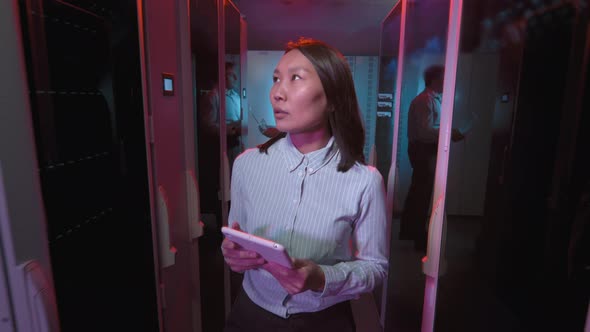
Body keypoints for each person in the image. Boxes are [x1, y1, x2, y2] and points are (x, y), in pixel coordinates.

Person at [220, 37, 389, 332]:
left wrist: (321, 278)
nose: (276, 93)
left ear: (333, 97)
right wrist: (232, 252)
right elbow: (238, 237)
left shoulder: (364, 181)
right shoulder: (246, 165)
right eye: (276, 79)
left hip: (324, 321)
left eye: (295, 78)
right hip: (249, 313)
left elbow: (375, 268)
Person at [399, 65, 464, 252]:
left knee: (420, 191)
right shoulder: (425, 100)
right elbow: (425, 131)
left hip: (425, 150)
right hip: (423, 150)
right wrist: (449, 133)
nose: (447, 82)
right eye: (444, 78)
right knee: (422, 192)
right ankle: (417, 235)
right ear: (435, 79)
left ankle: (413, 232)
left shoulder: (431, 100)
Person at [201, 62, 243, 166]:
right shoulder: (213, 97)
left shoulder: (236, 96)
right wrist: (231, 129)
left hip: (238, 144)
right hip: (222, 146)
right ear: (222, 76)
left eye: (235, 75)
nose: (236, 78)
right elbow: (208, 127)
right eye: (232, 75)